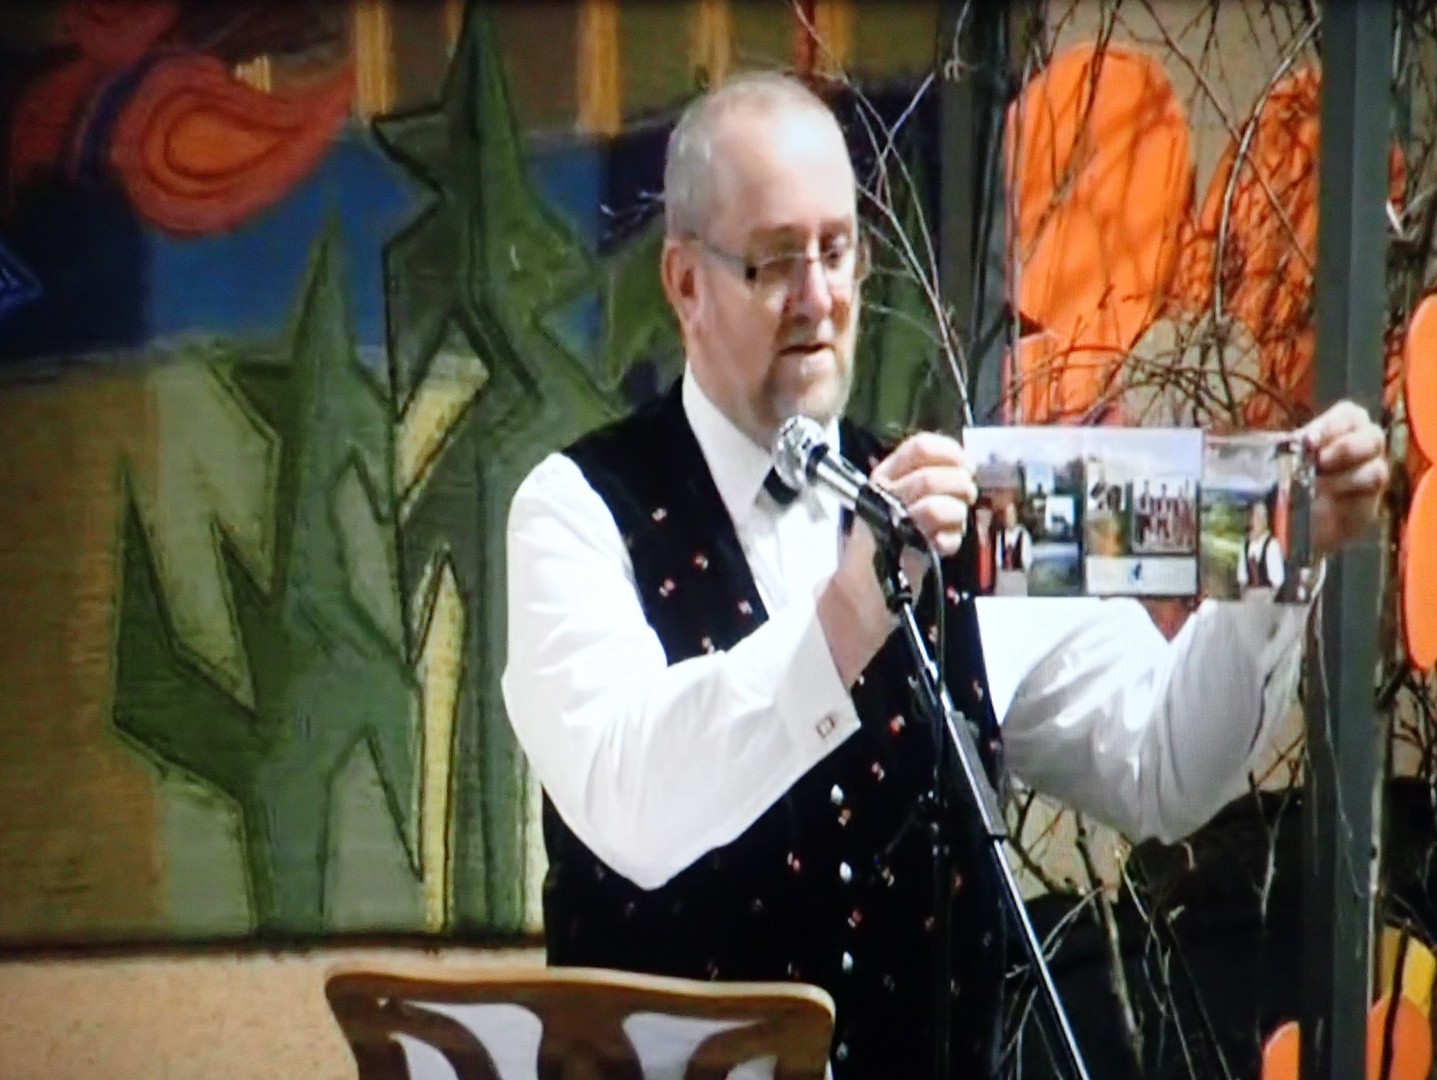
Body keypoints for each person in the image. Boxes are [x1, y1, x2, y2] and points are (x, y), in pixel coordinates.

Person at [501, 72, 1389, 1077]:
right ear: (685, 284)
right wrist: (847, 616)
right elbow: (631, 807)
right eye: (773, 261)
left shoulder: (965, 504)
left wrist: (1279, 553)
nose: (817, 298)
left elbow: (1161, 765)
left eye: (837, 250)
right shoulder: (574, 511)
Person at [1236, 498, 1287, 595]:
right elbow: (1242, 577)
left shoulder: (1272, 545)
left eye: (1256, 519)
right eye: (1252, 519)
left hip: (1267, 596)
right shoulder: (1245, 546)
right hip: (1249, 596)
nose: (1252, 523)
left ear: (1264, 521)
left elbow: (1278, 581)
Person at [992, 499, 1034, 596]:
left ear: (1016, 516)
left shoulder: (1024, 536)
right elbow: (998, 561)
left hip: (1018, 579)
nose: (1009, 518)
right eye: (1007, 515)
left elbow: (1028, 562)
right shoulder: (1000, 536)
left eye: (1012, 515)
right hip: (1003, 580)